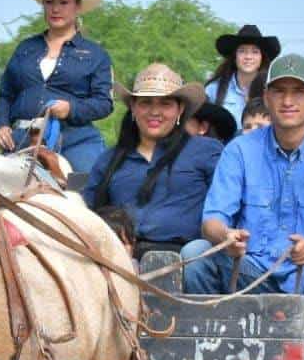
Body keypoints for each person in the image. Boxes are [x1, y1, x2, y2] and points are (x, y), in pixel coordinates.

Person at [181, 54, 304, 360]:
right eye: (279, 91)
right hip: (251, 270)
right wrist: (228, 236)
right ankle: (222, 359)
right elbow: (212, 220)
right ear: (266, 98)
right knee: (195, 254)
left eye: (298, 92)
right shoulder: (240, 150)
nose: (288, 100)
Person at [84, 64, 222, 257]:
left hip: (187, 258)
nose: (155, 112)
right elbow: (88, 211)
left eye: (165, 103)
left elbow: (225, 206)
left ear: (180, 109)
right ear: (133, 107)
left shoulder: (205, 151)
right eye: (146, 103)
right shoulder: (108, 160)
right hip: (120, 258)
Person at [0, 0, 114, 173]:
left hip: (76, 141)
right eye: (49, 2)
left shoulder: (96, 54)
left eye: (63, 2)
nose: (55, 9)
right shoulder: (25, 48)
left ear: (77, 7)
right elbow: (6, 94)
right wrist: (2, 125)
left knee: (90, 191)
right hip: (21, 138)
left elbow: (104, 103)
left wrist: (71, 109)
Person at [205, 24, 280, 121]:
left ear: (262, 58)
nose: (248, 57)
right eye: (242, 51)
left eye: (255, 52)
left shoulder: (272, 90)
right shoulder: (213, 89)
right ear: (234, 56)